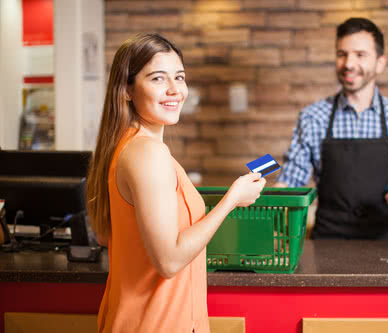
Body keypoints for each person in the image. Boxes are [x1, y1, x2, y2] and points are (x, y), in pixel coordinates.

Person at [86, 33, 266, 333]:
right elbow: (168, 262)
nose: (175, 90)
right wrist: (231, 200)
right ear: (127, 89)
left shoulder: (129, 146)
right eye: (158, 78)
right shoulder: (147, 153)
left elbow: (110, 237)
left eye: (179, 77)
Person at [275, 18, 388, 240]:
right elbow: (291, 179)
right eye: (342, 54)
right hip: (326, 243)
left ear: (380, 62)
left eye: (360, 55)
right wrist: (268, 199)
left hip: (382, 244)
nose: (348, 63)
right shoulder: (313, 117)